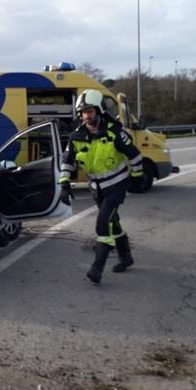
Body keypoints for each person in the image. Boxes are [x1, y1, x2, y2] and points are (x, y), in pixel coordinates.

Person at [59, 89, 144, 285]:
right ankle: (126, 257)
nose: (86, 116)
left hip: (117, 185)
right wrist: (64, 183)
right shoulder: (76, 137)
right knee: (113, 222)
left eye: (89, 111)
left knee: (102, 222)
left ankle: (97, 268)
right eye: (82, 112)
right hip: (96, 189)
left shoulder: (115, 133)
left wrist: (137, 177)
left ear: (99, 111)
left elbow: (135, 156)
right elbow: (67, 162)